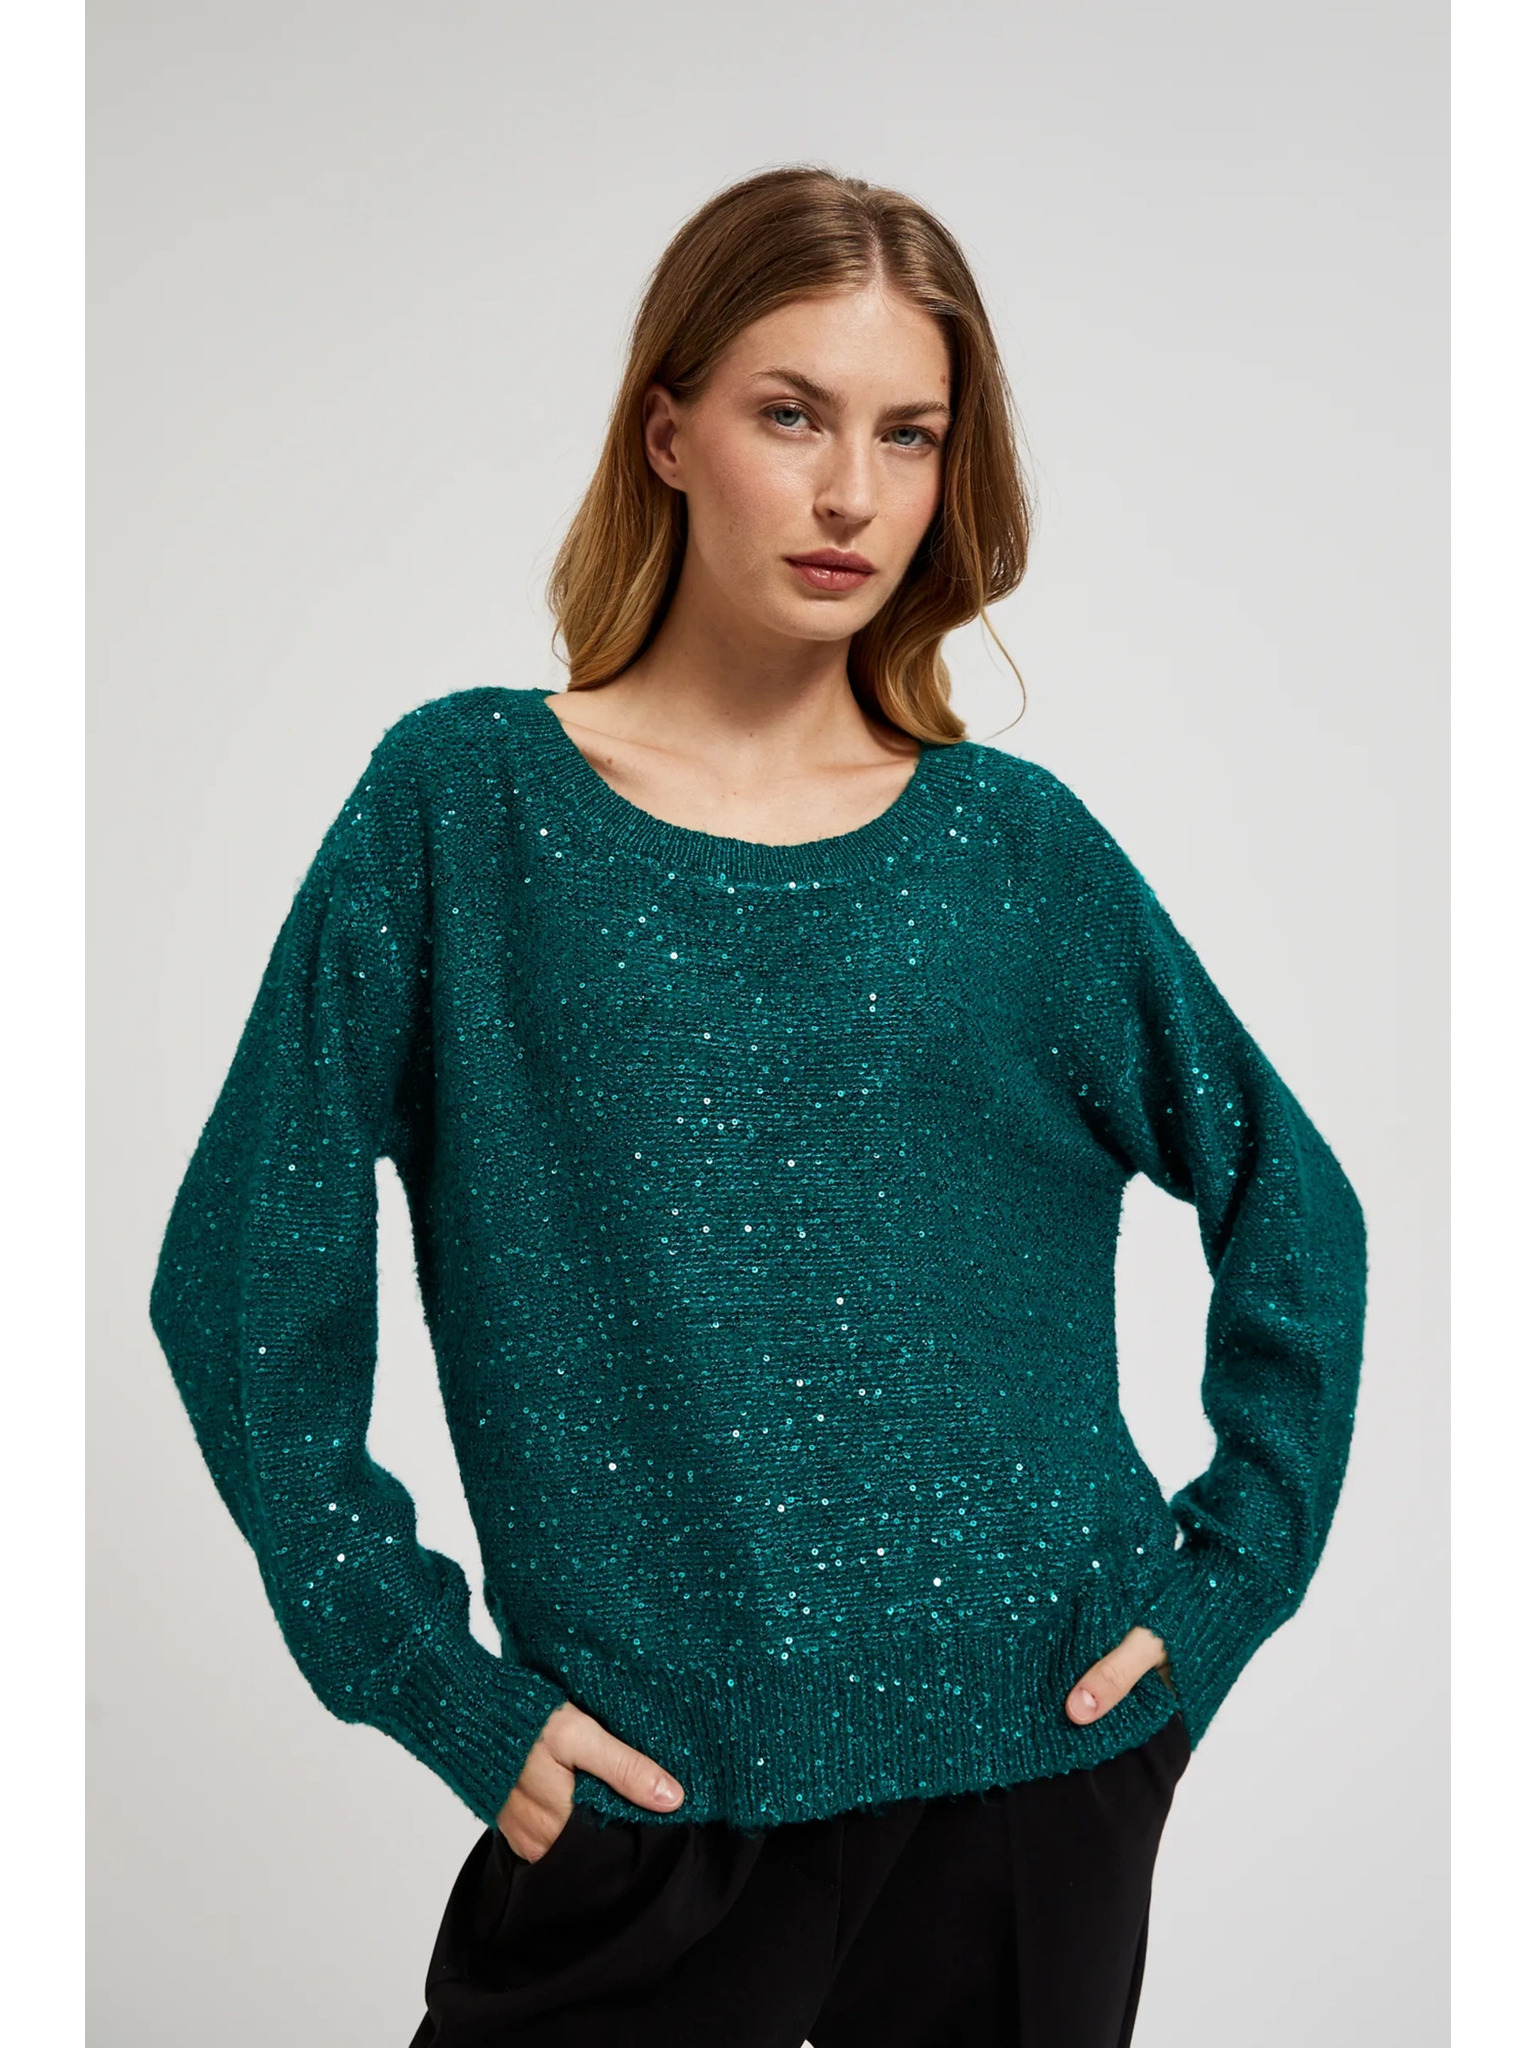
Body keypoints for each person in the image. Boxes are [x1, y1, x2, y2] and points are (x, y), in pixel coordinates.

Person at [148, 166, 1369, 2047]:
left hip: (1032, 1784)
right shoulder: (464, 810)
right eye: (792, 415)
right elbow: (243, 1272)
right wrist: (429, 1681)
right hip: (639, 1807)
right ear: (668, 433)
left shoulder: (1013, 853)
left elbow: (1298, 1209)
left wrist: (1215, 1603)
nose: (851, 494)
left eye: (910, 434)